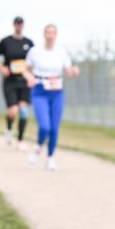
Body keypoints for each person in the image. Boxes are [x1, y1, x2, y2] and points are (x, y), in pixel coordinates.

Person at [23, 24, 78, 171]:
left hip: (57, 91)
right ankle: (38, 146)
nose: (50, 35)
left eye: (53, 32)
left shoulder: (61, 52)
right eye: (48, 32)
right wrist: (29, 77)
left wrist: (73, 71)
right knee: (45, 126)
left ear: (56, 35)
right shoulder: (35, 52)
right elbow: (25, 69)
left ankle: (50, 158)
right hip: (40, 90)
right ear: (44, 34)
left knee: (54, 127)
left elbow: (68, 71)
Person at [0, 16, 35, 150]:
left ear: (23, 25)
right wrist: (1, 68)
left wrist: (31, 76)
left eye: (21, 23)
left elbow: (34, 60)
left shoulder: (29, 42)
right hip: (10, 81)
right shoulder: (6, 41)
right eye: (17, 23)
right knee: (13, 111)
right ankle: (9, 128)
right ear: (14, 25)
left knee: (23, 111)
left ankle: (20, 140)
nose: (19, 26)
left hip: (24, 81)